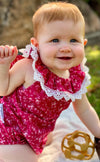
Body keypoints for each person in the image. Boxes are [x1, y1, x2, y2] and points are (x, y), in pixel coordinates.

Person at [0, 1, 100, 162]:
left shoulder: (75, 78)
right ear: (37, 45)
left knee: (46, 139)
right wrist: (3, 66)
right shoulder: (28, 67)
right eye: (55, 40)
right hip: (10, 127)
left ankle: (38, 136)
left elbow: (85, 110)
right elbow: (3, 90)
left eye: (74, 40)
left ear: (84, 43)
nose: (65, 47)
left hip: (36, 129)